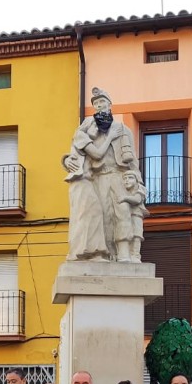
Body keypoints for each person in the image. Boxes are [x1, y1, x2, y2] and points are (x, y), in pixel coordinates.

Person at [63, 87, 145, 262]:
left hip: (118, 176)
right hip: (98, 178)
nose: (99, 106)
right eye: (96, 104)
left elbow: (133, 163)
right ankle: (106, 253)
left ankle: (123, 252)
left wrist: (139, 185)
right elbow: (75, 151)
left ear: (110, 105)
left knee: (121, 213)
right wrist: (65, 161)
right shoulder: (88, 128)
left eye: (102, 102)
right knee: (103, 217)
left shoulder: (122, 130)